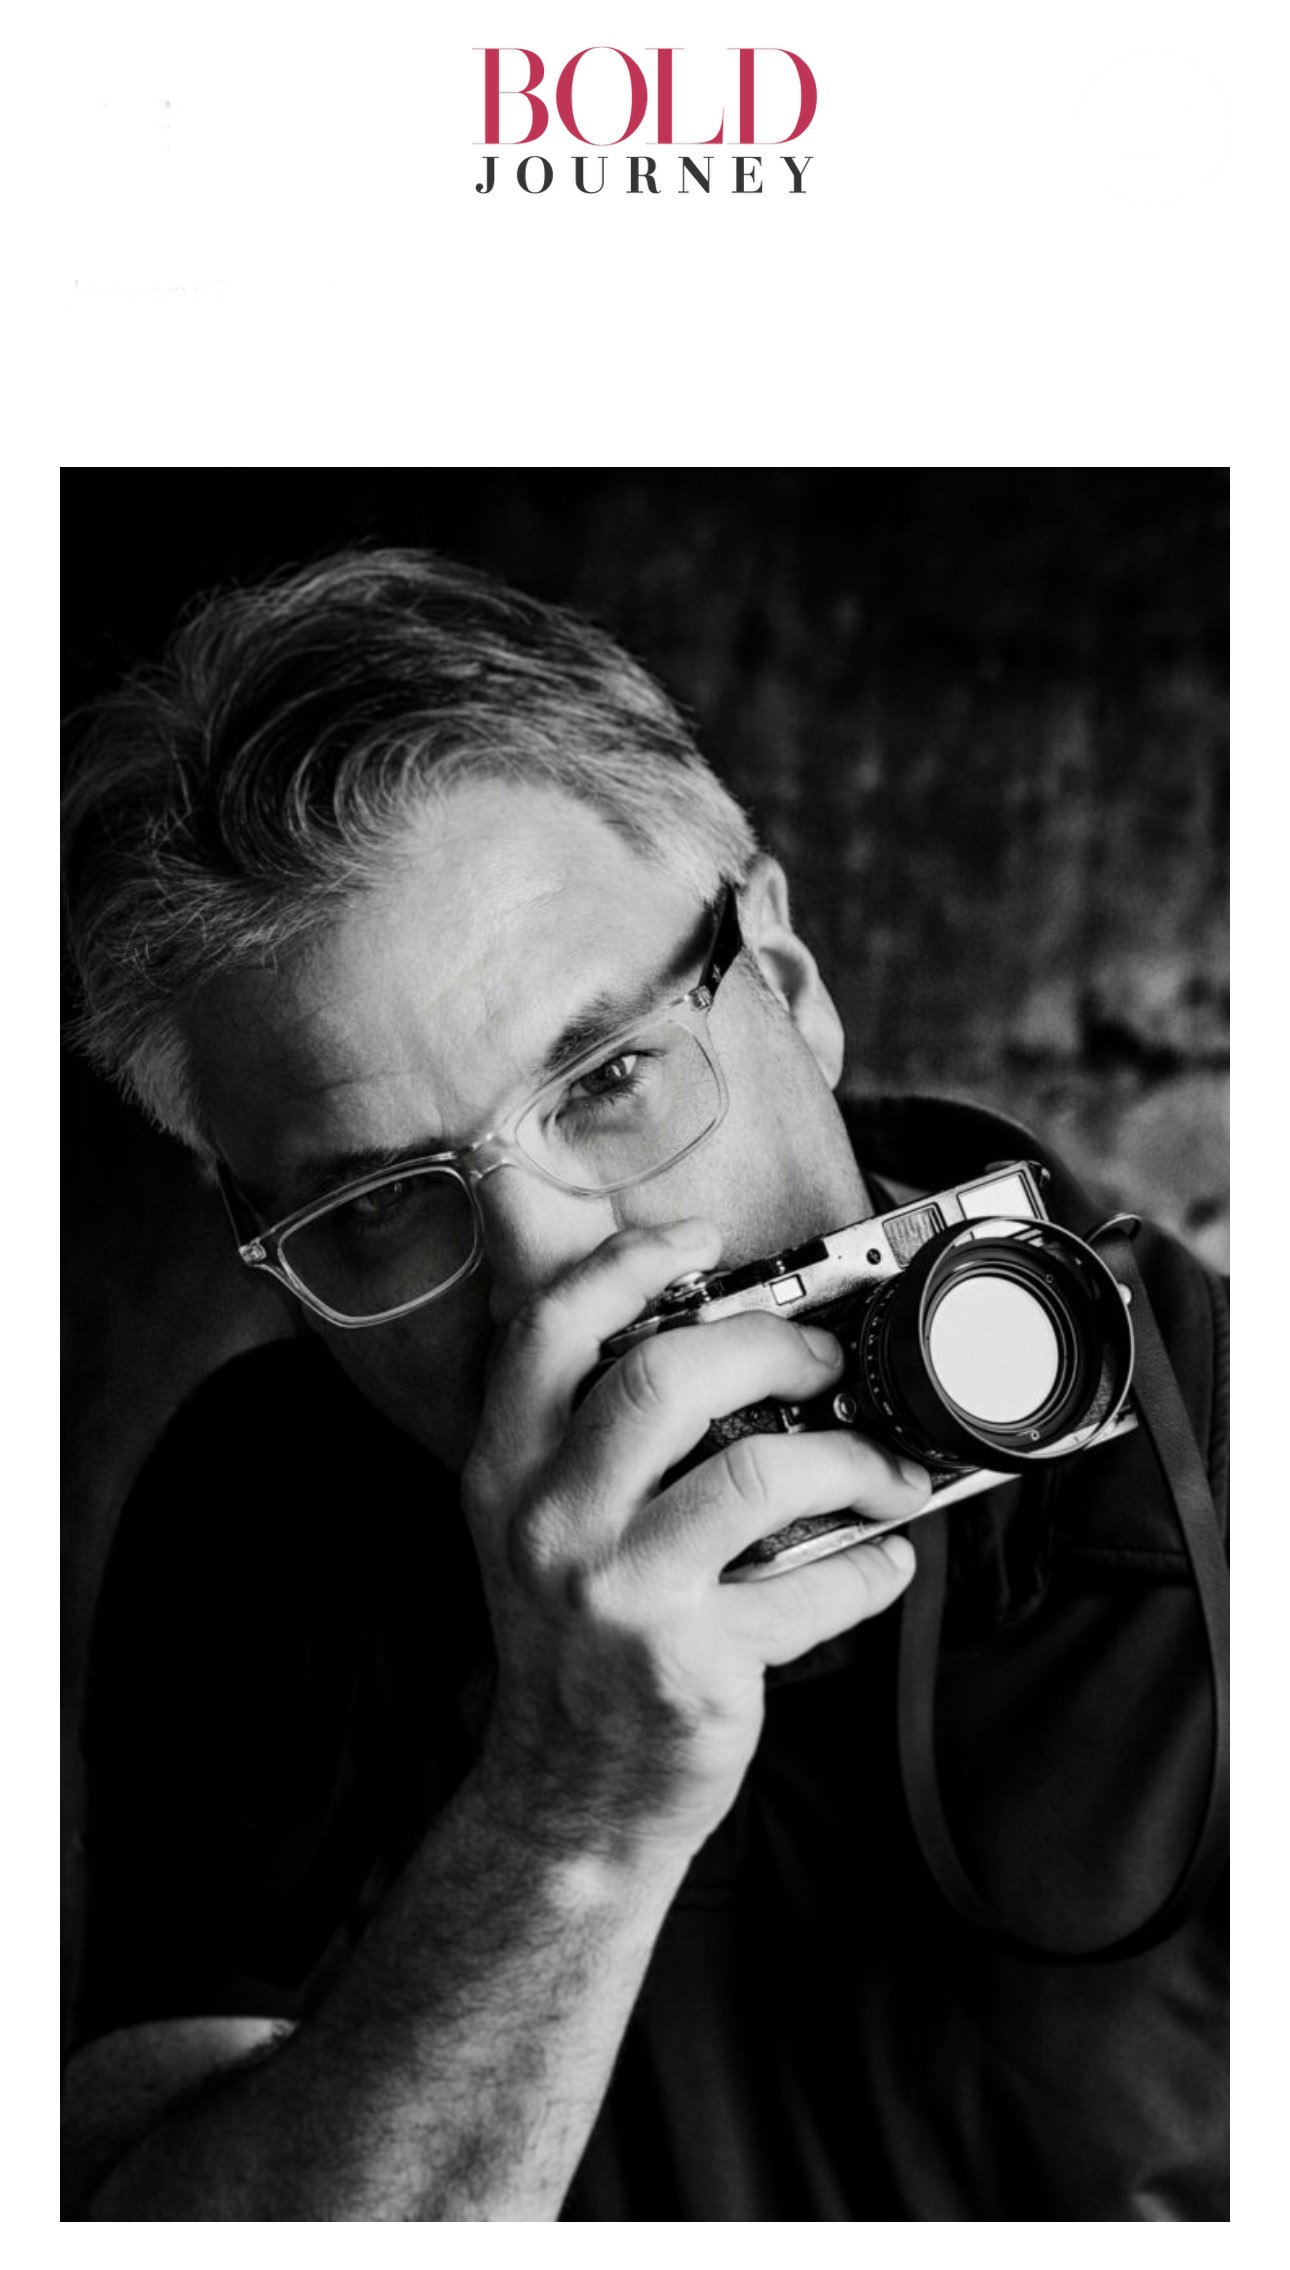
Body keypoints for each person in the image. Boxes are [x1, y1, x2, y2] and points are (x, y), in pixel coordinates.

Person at [61, 547, 1228, 2221]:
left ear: (790, 989)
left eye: (608, 1076)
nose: (554, 1276)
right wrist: (571, 1805)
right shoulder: (259, 1511)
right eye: (381, 1207)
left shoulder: (1230, 1455)